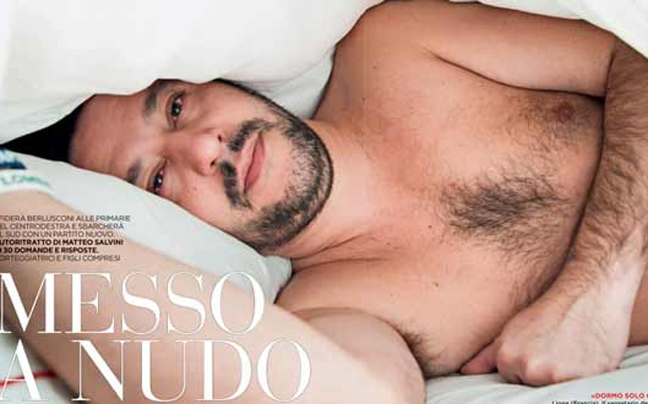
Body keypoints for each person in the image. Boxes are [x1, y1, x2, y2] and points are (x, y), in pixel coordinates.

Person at [5, 0, 648, 394]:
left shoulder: (399, 45)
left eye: (176, 107)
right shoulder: (330, 310)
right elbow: (350, 396)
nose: (203, 147)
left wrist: (596, 288)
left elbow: (636, 55)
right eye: (157, 180)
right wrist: (15, 216)